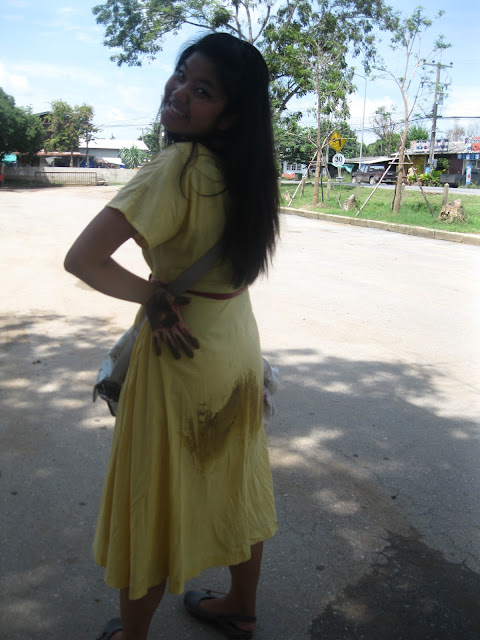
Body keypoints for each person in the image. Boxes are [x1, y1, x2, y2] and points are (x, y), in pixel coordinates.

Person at [64, 32, 279, 640]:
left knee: (154, 498)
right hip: (236, 344)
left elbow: (83, 259)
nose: (180, 92)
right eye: (182, 75)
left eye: (202, 90)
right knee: (236, 478)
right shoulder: (250, 172)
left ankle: (132, 635)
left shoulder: (177, 166)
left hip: (178, 352)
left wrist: (152, 298)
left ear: (229, 114)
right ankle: (241, 607)